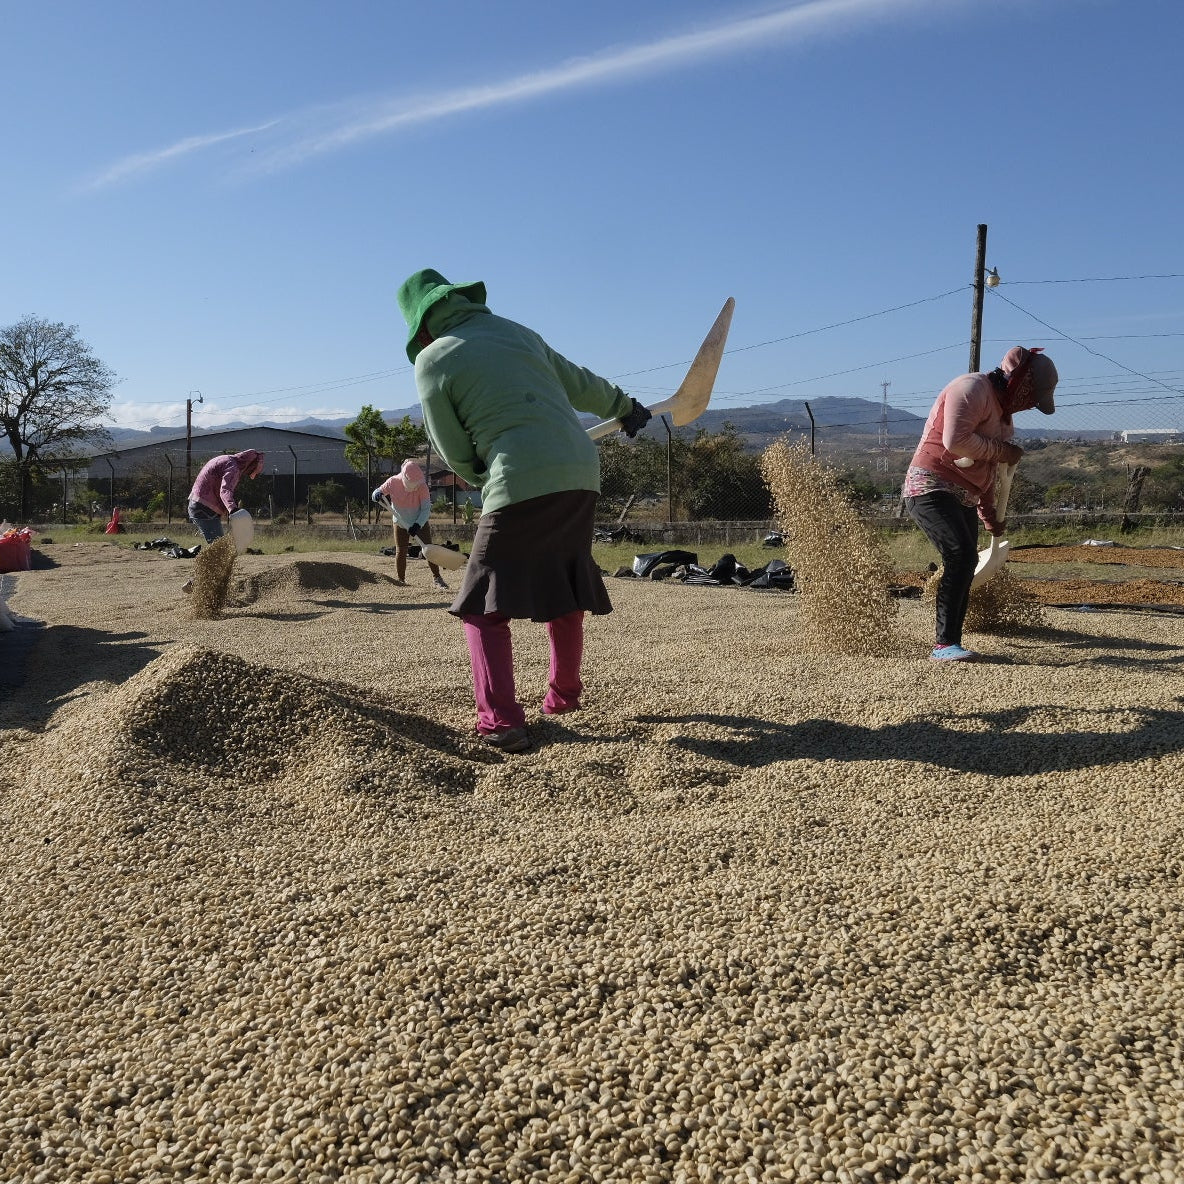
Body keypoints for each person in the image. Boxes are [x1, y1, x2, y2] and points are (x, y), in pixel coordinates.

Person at [396, 267, 652, 753]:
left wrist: (479, 474)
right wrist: (623, 405)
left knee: (481, 606)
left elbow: (449, 445)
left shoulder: (432, 359)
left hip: (517, 475)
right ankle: (563, 696)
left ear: (421, 325)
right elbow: (578, 382)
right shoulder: (520, 334)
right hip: (580, 470)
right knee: (565, 583)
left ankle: (501, 721)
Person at [902, 346, 1058, 662]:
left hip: (965, 496)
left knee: (968, 561)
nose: (1028, 405)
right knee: (959, 555)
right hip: (930, 485)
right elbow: (955, 441)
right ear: (1020, 382)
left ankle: (951, 642)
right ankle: (944, 645)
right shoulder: (971, 388)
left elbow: (987, 474)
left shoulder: (1004, 420)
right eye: (1031, 396)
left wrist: (990, 518)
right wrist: (1003, 452)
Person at [372, 459, 448, 589]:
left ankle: (437, 579)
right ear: (405, 478)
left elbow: (425, 509)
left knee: (428, 549)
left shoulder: (422, 486)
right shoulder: (393, 482)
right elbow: (377, 493)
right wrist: (376, 494)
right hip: (400, 522)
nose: (416, 486)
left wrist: (417, 525)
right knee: (401, 551)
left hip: (420, 521)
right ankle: (401, 581)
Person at [187, 449, 265, 543]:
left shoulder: (227, 459)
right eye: (251, 470)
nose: (248, 473)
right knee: (219, 547)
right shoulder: (233, 468)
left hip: (197, 503)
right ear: (250, 464)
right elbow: (225, 490)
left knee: (218, 544)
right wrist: (233, 509)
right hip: (205, 507)